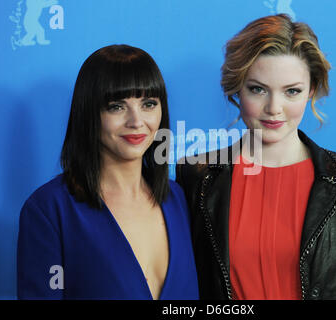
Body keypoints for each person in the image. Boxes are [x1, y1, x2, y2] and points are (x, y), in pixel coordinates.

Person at [176, 14, 336, 300]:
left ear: (311, 91)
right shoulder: (197, 176)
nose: (274, 108)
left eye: (292, 91)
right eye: (258, 89)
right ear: (236, 89)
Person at [17, 45, 199, 300]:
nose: (136, 121)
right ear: (89, 113)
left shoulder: (178, 198)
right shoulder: (48, 210)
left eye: (148, 104)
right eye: (117, 106)